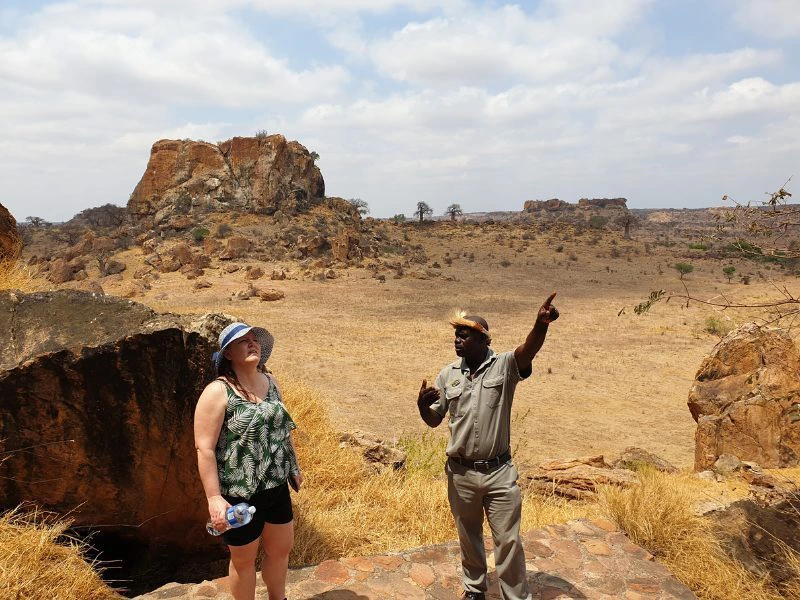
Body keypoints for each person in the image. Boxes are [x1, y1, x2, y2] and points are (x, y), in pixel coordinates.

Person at [417, 294, 559, 600]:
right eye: (456, 335)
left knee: (507, 540)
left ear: (483, 340)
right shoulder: (448, 374)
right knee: (468, 537)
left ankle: (515, 596)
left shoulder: (505, 367)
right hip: (461, 474)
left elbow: (528, 350)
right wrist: (421, 407)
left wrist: (541, 324)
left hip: (499, 473)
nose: (457, 340)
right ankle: (474, 589)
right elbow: (434, 420)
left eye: (464, 336)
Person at [194, 322, 302, 600]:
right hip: (238, 495)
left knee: (281, 550)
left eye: (255, 340)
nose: (252, 344)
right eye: (243, 341)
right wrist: (214, 498)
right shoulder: (218, 392)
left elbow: (282, 428)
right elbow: (204, 448)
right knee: (244, 561)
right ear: (228, 353)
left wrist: (294, 466)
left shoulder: (272, 382)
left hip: (276, 486)